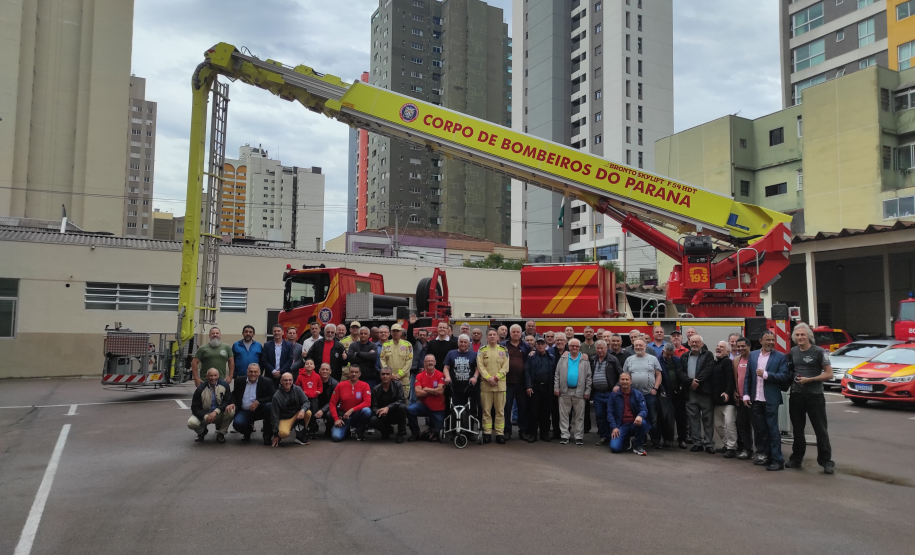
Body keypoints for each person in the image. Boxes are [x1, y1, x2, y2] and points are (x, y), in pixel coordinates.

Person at [787, 323, 835, 474]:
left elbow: (829, 374)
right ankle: (796, 458)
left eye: (802, 335)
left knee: (820, 430)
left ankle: (826, 461)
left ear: (809, 336)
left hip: (815, 396)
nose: (800, 337)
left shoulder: (819, 352)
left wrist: (810, 379)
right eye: (797, 335)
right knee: (797, 429)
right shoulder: (793, 351)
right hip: (796, 395)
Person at [742, 330, 790, 471]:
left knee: (772, 429)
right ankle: (765, 455)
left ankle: (778, 460)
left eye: (773, 340)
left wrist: (766, 375)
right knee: (760, 430)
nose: (771, 342)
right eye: (768, 340)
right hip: (756, 398)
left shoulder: (781, 357)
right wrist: (746, 394)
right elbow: (748, 377)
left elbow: (784, 376)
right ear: (761, 341)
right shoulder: (753, 355)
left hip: (771, 399)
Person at [677, 334, 716, 454]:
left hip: (704, 391)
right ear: (688, 343)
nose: (694, 344)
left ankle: (709, 443)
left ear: (702, 344)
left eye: (697, 342)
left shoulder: (708, 355)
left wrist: (697, 381)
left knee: (707, 418)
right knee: (693, 418)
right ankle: (697, 443)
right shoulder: (684, 356)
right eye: (692, 342)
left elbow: (708, 370)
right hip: (690, 391)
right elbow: (680, 371)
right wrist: (690, 382)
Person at [621, 338, 663, 448]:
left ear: (645, 346)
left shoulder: (653, 358)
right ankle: (641, 439)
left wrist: (655, 388)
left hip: (649, 393)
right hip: (634, 395)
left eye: (640, 345)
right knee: (637, 417)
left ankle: (655, 440)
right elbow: (625, 376)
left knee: (653, 418)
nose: (638, 347)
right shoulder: (629, 360)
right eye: (636, 345)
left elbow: (658, 375)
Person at [554, 338, 592, 445]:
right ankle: (564, 436)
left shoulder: (584, 359)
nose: (574, 348)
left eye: (576, 346)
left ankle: (578, 437)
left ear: (579, 347)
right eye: (572, 346)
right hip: (564, 391)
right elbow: (557, 374)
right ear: (569, 347)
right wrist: (556, 388)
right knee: (564, 415)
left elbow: (589, 377)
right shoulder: (563, 358)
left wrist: (587, 391)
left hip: (579, 392)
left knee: (579, 416)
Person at [231, 363, 275, 445]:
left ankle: (267, 436)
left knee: (270, 407)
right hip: (245, 411)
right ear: (247, 372)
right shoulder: (239, 381)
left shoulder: (267, 381)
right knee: (237, 424)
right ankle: (248, 431)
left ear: (259, 372)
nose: (253, 374)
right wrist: (232, 403)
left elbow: (273, 396)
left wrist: (258, 402)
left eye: (255, 372)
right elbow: (234, 394)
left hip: (261, 410)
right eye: (251, 371)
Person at [478, 329, 509, 444]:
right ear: (486, 337)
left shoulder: (504, 350)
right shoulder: (482, 350)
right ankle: (487, 433)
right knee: (486, 411)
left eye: (494, 335)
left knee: (500, 411)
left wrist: (496, 378)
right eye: (490, 335)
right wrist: (488, 378)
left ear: (497, 337)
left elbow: (506, 367)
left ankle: (499, 434)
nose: (492, 336)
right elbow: (480, 366)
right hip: (486, 386)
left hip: (500, 386)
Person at [188, 368, 235, 443]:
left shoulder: (225, 385)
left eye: (215, 375)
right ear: (206, 376)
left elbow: (227, 401)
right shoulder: (200, 389)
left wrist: (216, 411)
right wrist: (205, 416)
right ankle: (202, 432)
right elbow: (194, 407)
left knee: (231, 411)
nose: (213, 378)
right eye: (210, 376)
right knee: (191, 423)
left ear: (218, 376)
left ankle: (221, 433)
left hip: (218, 413)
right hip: (205, 415)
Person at [608, 372, 650, 455]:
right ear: (619, 381)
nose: (625, 381)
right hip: (621, 425)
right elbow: (610, 412)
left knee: (643, 423)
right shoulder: (614, 395)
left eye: (627, 379)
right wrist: (614, 427)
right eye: (622, 379)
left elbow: (644, 409)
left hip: (634, 424)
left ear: (631, 381)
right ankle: (626, 440)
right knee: (614, 448)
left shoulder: (638, 394)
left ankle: (638, 445)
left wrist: (640, 416)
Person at [590, 339, 622, 446]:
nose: (599, 350)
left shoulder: (613, 360)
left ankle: (613, 436)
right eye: (598, 348)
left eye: (601, 348)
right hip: (597, 394)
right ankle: (604, 436)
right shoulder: (592, 359)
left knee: (611, 415)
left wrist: (617, 385)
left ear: (606, 348)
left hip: (610, 393)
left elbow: (621, 374)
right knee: (600, 416)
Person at [408, 354, 447, 442]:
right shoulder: (419, 376)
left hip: (438, 408)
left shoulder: (440, 375)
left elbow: (440, 391)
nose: (430, 362)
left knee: (438, 433)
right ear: (424, 363)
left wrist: (426, 389)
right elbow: (418, 393)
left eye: (432, 361)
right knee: (410, 410)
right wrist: (433, 390)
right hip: (424, 406)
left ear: (435, 362)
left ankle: (432, 429)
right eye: (428, 361)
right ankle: (415, 433)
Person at [502, 324, 531, 441]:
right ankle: (506, 431)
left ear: (520, 333)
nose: (515, 334)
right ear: (510, 333)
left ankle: (522, 431)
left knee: (522, 408)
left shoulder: (526, 346)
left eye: (517, 332)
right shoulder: (503, 345)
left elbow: (529, 360)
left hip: (521, 383)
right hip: (507, 382)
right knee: (506, 408)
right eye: (513, 332)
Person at [329, 365, 373, 442]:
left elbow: (367, 403)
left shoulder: (365, 385)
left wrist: (351, 410)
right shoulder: (340, 385)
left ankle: (360, 431)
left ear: (359, 374)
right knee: (336, 437)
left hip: (358, 415)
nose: (354, 374)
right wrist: (336, 419)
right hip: (344, 417)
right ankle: (347, 431)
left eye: (356, 372)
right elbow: (332, 403)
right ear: (348, 373)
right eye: (352, 372)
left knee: (367, 411)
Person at [443, 335, 479, 424]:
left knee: (470, 409)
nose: (463, 344)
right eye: (461, 342)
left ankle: (469, 429)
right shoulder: (451, 353)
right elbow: (446, 367)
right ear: (458, 343)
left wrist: (475, 377)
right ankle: (454, 429)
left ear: (468, 344)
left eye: (465, 342)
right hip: (454, 387)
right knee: (453, 409)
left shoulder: (474, 354)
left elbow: (477, 369)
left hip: (469, 387)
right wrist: (447, 376)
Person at [525, 337, 555, 442]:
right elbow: (527, 372)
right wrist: (529, 386)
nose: (540, 345)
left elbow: (554, 373)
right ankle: (533, 434)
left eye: (542, 344)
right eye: (538, 344)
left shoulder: (551, 357)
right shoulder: (531, 357)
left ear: (546, 345)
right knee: (533, 412)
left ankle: (544, 434)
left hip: (547, 388)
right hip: (534, 388)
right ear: (536, 345)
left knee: (545, 413)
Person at [711, 340, 737, 458]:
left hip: (728, 401)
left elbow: (730, 379)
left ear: (727, 351)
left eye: (721, 347)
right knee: (718, 425)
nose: (718, 348)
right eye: (717, 346)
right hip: (717, 401)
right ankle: (727, 444)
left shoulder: (727, 362)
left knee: (729, 424)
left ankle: (732, 448)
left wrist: (727, 393)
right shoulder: (715, 363)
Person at [269, 372, 311, 446]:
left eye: (290, 380)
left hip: (297, 415)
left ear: (292, 380)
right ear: (281, 381)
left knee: (308, 412)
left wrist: (303, 410)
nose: (288, 382)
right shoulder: (276, 396)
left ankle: (300, 435)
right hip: (285, 418)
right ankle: (290, 428)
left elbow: (306, 402)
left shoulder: (297, 389)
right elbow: (274, 415)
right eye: (285, 380)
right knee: (283, 434)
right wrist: (275, 435)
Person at [659, 343, 687, 449]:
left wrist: (681, 387)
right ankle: (667, 438)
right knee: (666, 417)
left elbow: (682, 374)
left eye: (672, 354)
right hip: (665, 392)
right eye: (668, 355)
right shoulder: (657, 361)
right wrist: (662, 390)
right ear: (663, 352)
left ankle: (682, 439)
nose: (670, 357)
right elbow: (657, 376)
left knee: (681, 417)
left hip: (678, 393)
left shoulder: (678, 360)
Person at [371, 367, 408, 442]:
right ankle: (386, 431)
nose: (385, 376)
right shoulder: (375, 389)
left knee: (402, 407)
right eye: (383, 374)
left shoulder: (397, 385)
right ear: (380, 376)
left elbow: (401, 400)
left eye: (387, 374)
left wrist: (388, 408)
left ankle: (401, 432)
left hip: (396, 413)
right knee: (373, 420)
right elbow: (373, 407)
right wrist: (379, 411)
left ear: (391, 376)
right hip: (383, 415)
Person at [732, 337, 754, 459]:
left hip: (753, 399)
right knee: (742, 425)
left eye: (743, 346)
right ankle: (746, 449)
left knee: (758, 426)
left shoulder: (755, 359)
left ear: (749, 346)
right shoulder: (736, 360)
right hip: (740, 399)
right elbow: (736, 377)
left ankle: (763, 451)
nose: (740, 348)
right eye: (738, 346)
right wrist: (735, 390)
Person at [381, 323, 413, 398]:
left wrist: (399, 375)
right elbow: (382, 360)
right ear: (391, 332)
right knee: (389, 400)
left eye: (397, 331)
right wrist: (390, 374)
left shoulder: (407, 345)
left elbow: (409, 362)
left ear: (401, 332)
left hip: (403, 380)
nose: (396, 333)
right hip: (389, 379)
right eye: (394, 331)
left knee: (403, 401)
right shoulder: (385, 345)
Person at [294, 359, 323, 438]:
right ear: (304, 366)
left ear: (314, 366)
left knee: (313, 414)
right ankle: (304, 430)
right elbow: (297, 386)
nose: (309, 365)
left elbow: (320, 386)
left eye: (311, 364)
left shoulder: (317, 376)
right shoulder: (300, 376)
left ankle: (312, 431)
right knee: (305, 414)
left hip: (314, 398)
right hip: (304, 398)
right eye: (307, 364)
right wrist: (302, 392)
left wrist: (319, 391)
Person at [313, 363, 339, 439]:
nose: (325, 371)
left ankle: (328, 429)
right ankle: (312, 428)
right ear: (319, 371)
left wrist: (322, 410)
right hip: (316, 405)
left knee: (330, 414)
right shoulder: (313, 381)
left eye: (327, 369)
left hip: (329, 407)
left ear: (330, 371)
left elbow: (334, 401)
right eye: (323, 369)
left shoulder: (335, 384)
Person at [410, 326, 429, 403]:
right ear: (417, 335)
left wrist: (426, 368)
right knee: (413, 393)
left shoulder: (430, 345)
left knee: (426, 392)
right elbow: (409, 336)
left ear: (427, 336)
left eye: (424, 335)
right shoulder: (414, 343)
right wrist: (411, 325)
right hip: (415, 372)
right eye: (420, 335)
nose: (422, 336)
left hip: (426, 373)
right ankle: (411, 408)